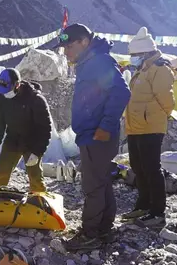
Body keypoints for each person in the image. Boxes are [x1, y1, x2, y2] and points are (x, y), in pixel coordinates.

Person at [52, 24, 131, 251]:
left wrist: (106, 125)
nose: (66, 51)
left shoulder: (99, 62)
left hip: (98, 135)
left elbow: (121, 92)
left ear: (84, 42)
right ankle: (104, 229)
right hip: (91, 133)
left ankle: (90, 234)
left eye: (69, 46)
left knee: (93, 185)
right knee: (102, 181)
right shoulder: (89, 63)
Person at [122, 27, 175, 227]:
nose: (132, 58)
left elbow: (167, 101)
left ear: (144, 53)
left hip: (150, 127)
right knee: (138, 167)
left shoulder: (160, 69)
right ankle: (143, 205)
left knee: (152, 169)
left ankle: (157, 212)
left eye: (134, 54)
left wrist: (153, 117)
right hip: (135, 127)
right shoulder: (142, 69)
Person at [0, 68, 52, 193]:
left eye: (8, 90)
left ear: (17, 85)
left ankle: (40, 203)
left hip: (32, 141)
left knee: (35, 178)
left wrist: (37, 151)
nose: (5, 94)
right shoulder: (0, 97)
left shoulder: (36, 99)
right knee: (1, 173)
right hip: (12, 138)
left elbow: (45, 129)